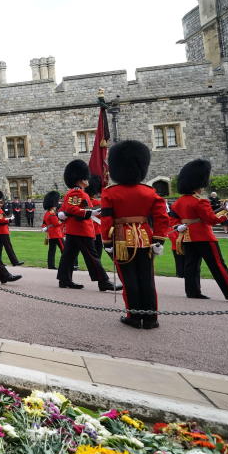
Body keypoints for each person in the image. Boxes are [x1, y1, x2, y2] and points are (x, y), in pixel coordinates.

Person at [99, 140, 171, 329]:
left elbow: (106, 220)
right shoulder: (149, 192)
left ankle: (134, 316)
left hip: (122, 240)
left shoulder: (110, 193)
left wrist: (106, 241)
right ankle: (150, 318)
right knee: (147, 279)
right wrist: (158, 239)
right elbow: (162, 218)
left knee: (128, 279)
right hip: (146, 240)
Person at [172, 159, 228, 300]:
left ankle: (193, 292)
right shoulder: (200, 201)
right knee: (218, 265)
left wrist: (178, 226)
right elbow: (211, 220)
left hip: (187, 237)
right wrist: (227, 212)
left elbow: (174, 219)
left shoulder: (178, 202)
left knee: (191, 266)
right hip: (204, 237)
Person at [56, 159, 114, 291]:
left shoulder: (78, 193)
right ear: (81, 179)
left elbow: (70, 209)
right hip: (81, 230)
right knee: (92, 257)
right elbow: (72, 209)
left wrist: (94, 211)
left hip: (75, 230)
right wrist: (90, 213)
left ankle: (64, 279)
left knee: (69, 256)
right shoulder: (76, 192)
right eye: (86, 177)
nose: (88, 179)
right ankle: (103, 281)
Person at [0, 190, 23, 266]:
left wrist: (7, 219)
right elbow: (1, 220)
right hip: (2, 231)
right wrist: (10, 219)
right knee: (8, 247)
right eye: (0, 201)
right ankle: (15, 262)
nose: (1, 203)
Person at [41, 191, 64, 269]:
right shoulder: (52, 213)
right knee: (64, 249)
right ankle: (65, 265)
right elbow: (57, 223)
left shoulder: (47, 213)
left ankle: (51, 265)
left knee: (51, 250)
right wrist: (63, 220)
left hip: (50, 235)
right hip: (57, 234)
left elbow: (44, 223)